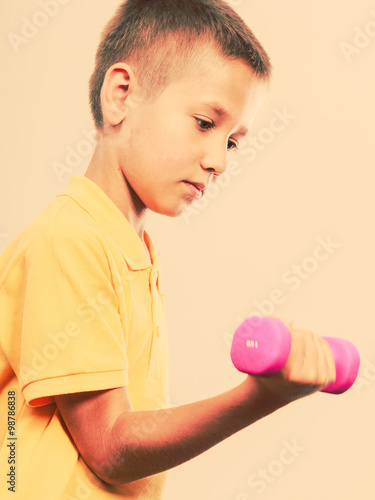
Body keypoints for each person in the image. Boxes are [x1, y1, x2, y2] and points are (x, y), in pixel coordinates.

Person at [0, 1, 336, 498]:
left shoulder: (128, 247)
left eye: (234, 141)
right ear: (121, 96)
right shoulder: (71, 239)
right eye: (205, 123)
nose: (219, 160)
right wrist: (258, 398)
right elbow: (110, 447)